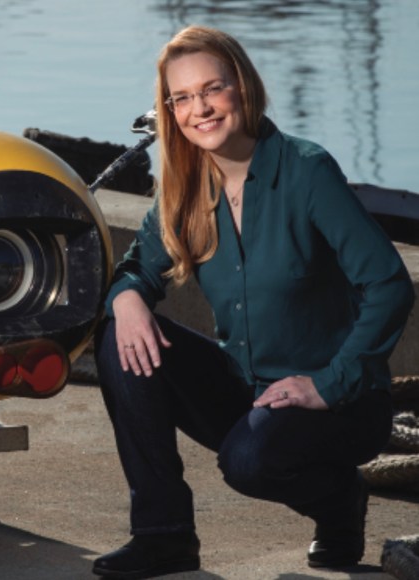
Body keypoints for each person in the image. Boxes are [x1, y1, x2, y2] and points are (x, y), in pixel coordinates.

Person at [92, 25, 415, 579]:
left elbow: (389, 284)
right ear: (169, 111)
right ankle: (163, 535)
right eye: (182, 98)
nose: (199, 109)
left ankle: (340, 502)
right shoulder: (187, 185)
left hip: (338, 401)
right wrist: (127, 300)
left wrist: (327, 384)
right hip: (247, 389)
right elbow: (136, 272)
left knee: (247, 461)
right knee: (117, 340)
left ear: (242, 86)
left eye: (211, 89)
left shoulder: (306, 170)